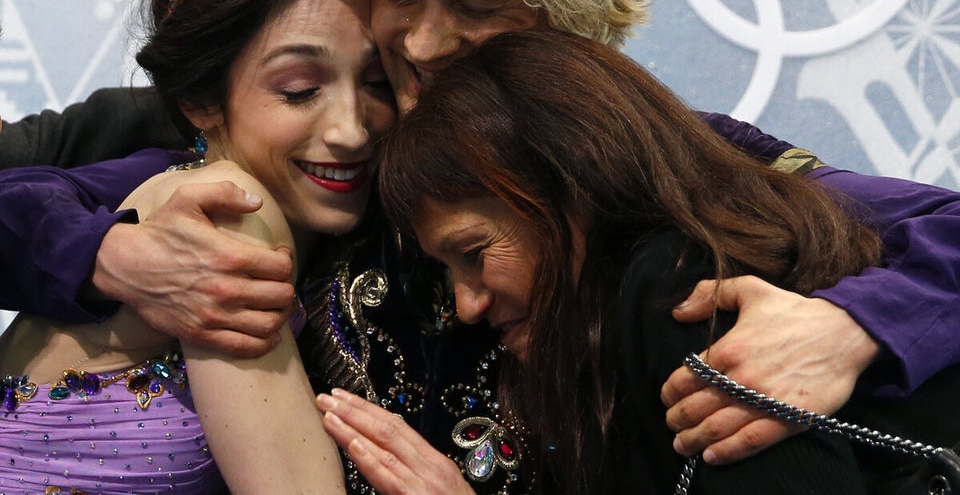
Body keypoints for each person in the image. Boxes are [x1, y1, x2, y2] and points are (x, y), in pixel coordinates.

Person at [1, 0, 960, 483]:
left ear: (561, 20)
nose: (421, 44)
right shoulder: (308, 143)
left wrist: (858, 326)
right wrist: (106, 256)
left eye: (476, 8)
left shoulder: (646, 157)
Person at [316, 28, 960, 495]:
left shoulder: (678, 289)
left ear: (571, 186)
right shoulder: (620, 323)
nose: (466, 304)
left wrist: (855, 326)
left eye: (475, 253)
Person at [0, 0, 396, 493]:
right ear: (199, 102)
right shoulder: (226, 206)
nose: (352, 130)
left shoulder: (393, 204)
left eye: (378, 83)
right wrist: (103, 252)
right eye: (299, 89)